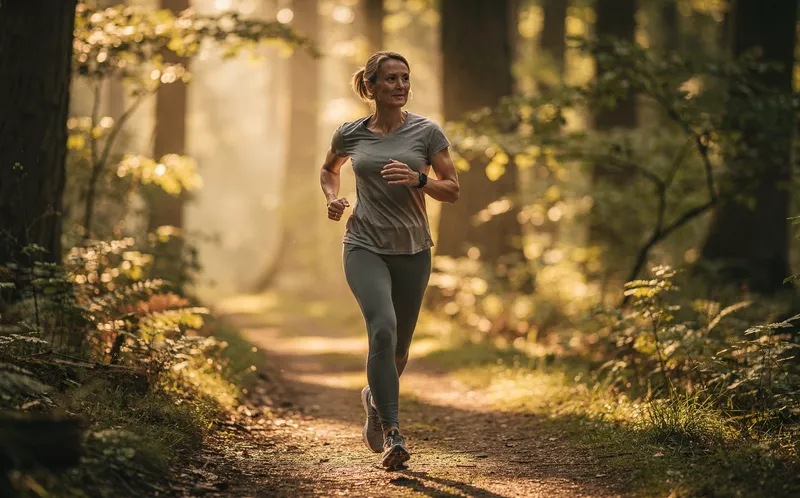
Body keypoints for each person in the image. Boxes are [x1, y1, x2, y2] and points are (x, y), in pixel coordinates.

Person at [319, 51, 460, 469]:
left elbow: (451, 188)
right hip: (363, 245)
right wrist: (332, 198)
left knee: (399, 350)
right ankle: (395, 433)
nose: (400, 86)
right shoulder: (351, 133)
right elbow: (329, 169)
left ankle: (374, 400)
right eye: (391, 79)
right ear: (372, 86)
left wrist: (420, 179)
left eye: (405, 79)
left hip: (413, 249)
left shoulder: (427, 132)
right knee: (382, 329)